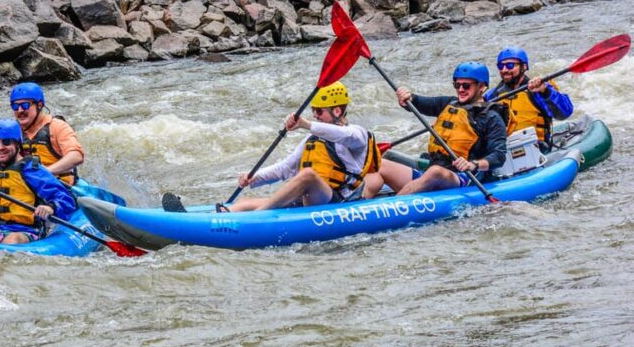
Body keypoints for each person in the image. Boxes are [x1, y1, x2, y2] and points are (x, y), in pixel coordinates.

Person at [201, 81, 383, 212]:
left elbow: (342, 135)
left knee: (308, 175)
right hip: (312, 198)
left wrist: (305, 124)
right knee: (245, 202)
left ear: (337, 111)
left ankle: (258, 217)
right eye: (313, 112)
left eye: (319, 112)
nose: (315, 116)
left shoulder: (356, 134)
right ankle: (221, 215)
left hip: (339, 201)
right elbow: (285, 168)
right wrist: (253, 178)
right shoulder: (312, 140)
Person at [379, 62, 507, 195]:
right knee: (380, 164)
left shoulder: (492, 117)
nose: (461, 89)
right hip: (430, 172)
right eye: (457, 85)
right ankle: (360, 204)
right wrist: (408, 98)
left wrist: (473, 164)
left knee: (436, 172)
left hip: (463, 178)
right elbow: (419, 103)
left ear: (482, 86)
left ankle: (395, 205)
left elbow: (498, 156)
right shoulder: (448, 103)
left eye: (466, 85)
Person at [0, 82, 84, 185]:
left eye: (25, 105)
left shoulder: (57, 126)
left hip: (58, 188)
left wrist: (46, 172)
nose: (19, 110)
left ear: (39, 105)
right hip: (24, 190)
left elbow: (76, 156)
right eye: (15, 106)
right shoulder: (10, 130)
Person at [485, 46, 573, 149]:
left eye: (510, 65)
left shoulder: (539, 89)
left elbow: (565, 112)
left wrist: (545, 92)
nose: (504, 70)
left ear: (524, 67)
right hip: (503, 151)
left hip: (538, 149)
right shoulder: (492, 95)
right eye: (500, 66)